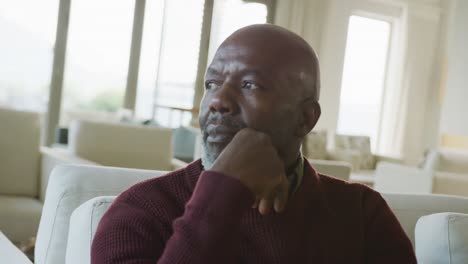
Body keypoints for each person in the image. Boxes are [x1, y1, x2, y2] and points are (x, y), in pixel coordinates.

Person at [91, 24, 416, 263]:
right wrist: (222, 194)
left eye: (250, 84)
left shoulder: (361, 214)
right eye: (212, 83)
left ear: (305, 119)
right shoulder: (142, 210)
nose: (218, 100)